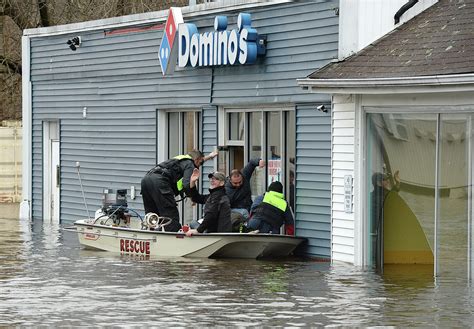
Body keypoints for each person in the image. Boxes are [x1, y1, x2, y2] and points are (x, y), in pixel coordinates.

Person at [140, 149, 217, 232]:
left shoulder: (181, 160)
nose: (199, 166)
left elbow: (199, 159)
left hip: (146, 180)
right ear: (197, 160)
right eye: (201, 163)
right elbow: (186, 184)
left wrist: (209, 156)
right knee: (170, 216)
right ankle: (174, 239)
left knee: (152, 215)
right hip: (160, 182)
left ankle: (151, 235)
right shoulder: (190, 165)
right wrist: (192, 197)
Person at [186, 170, 232, 236]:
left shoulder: (218, 197)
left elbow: (211, 215)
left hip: (218, 234)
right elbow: (196, 198)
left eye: (216, 179)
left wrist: (198, 230)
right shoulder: (214, 195)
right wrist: (192, 182)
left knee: (193, 224)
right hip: (214, 231)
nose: (212, 181)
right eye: (212, 179)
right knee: (193, 223)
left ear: (222, 183)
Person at [371, 169, 401, 269]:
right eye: (385, 180)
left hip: (375, 231)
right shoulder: (382, 195)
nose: (387, 181)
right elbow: (391, 196)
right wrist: (397, 184)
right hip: (381, 230)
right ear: (379, 183)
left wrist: (397, 183)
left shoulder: (372, 195)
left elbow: (391, 195)